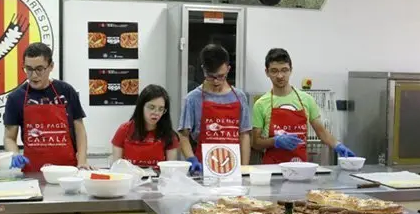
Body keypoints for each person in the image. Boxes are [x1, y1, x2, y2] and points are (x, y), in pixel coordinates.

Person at [251, 48, 354, 163]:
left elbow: (322, 133)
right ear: (267, 72)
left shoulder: (307, 100)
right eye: (274, 71)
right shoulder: (260, 104)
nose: (280, 76)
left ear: (291, 70)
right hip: (272, 168)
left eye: (284, 70)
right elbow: (255, 143)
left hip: (300, 167)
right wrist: (274, 141)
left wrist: (338, 145)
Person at [3, 42, 91, 171]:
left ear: (51, 66)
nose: (33, 75)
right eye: (29, 69)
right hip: (33, 172)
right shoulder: (16, 98)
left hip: (68, 170)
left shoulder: (66, 91)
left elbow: (80, 129)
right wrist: (15, 154)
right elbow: (9, 137)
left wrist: (82, 161)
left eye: (39, 69)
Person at [178, 44, 252, 173]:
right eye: (210, 76)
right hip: (203, 168)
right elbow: (183, 136)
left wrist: (244, 168)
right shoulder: (192, 99)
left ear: (228, 69)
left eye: (221, 76)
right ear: (203, 70)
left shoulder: (239, 97)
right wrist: (191, 159)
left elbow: (244, 134)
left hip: (233, 167)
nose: (216, 81)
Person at [111, 84, 180, 168]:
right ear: (141, 107)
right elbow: (117, 167)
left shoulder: (169, 135)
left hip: (158, 180)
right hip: (131, 179)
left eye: (161, 109)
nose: (156, 113)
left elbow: (170, 170)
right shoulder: (124, 130)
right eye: (151, 107)